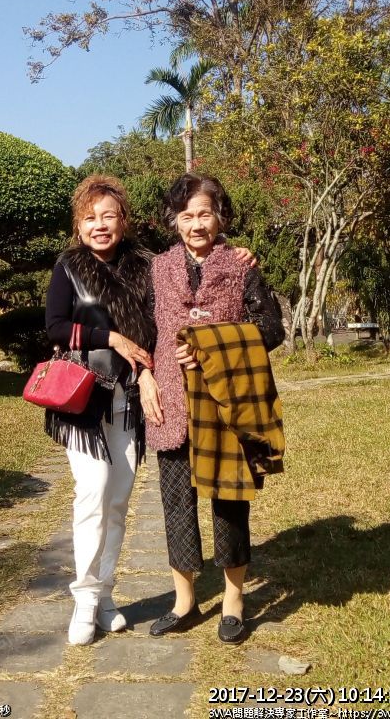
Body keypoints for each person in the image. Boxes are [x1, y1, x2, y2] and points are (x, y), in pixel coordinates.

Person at [137, 174, 285, 644]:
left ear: (220, 217)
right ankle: (184, 602)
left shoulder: (241, 265)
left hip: (225, 403)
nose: (196, 224)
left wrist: (209, 344)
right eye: (186, 216)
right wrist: (144, 376)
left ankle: (233, 602)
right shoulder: (157, 268)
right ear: (174, 221)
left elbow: (271, 328)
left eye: (205, 213)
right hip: (171, 401)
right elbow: (142, 331)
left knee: (230, 502)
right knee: (176, 502)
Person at [45, 174, 155, 646]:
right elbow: (55, 326)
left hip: (128, 399)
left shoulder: (146, 267)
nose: (100, 225)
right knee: (92, 491)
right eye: (90, 218)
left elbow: (164, 316)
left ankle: (106, 594)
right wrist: (111, 337)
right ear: (78, 224)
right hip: (83, 399)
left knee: (118, 500)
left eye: (109, 216)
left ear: (124, 221)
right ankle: (85, 600)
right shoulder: (68, 267)